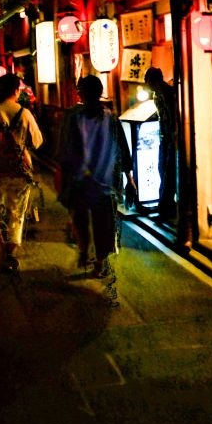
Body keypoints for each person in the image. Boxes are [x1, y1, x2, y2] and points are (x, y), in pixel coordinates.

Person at [56, 76, 134, 278]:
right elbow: (123, 149)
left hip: (80, 181)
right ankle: (99, 261)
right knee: (103, 225)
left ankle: (85, 251)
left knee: (81, 220)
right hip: (104, 183)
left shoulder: (72, 118)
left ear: (81, 93)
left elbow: (64, 151)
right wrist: (129, 177)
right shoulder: (110, 118)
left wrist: (63, 177)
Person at [0, 73, 44, 273]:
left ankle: (4, 249)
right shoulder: (24, 113)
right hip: (20, 171)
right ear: (15, 91)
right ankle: (10, 252)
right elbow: (37, 141)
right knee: (16, 213)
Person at [144, 67, 179, 227]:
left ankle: (165, 209)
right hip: (165, 136)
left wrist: (172, 136)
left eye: (148, 82)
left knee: (167, 172)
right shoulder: (158, 93)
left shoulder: (167, 93)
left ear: (153, 81)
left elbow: (172, 117)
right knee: (162, 168)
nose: (148, 85)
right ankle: (167, 206)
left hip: (171, 136)